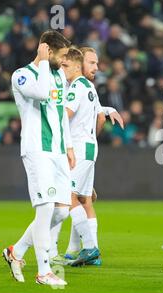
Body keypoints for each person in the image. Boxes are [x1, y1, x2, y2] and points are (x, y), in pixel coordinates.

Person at [2, 30, 72, 286]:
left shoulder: (57, 75)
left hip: (58, 150)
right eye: (61, 56)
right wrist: (43, 62)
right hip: (37, 150)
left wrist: (70, 146)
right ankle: (44, 271)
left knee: (62, 212)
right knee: (46, 209)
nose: (64, 62)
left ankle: (16, 252)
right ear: (47, 50)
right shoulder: (21, 75)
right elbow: (42, 93)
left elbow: (60, 111)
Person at [50, 47, 124, 266]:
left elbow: (66, 113)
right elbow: (100, 117)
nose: (96, 67)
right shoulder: (88, 86)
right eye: (92, 63)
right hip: (89, 147)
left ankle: (89, 248)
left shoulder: (77, 86)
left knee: (67, 197)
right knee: (85, 200)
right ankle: (87, 253)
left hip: (78, 148)